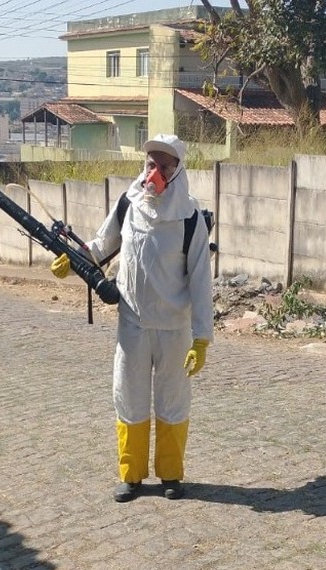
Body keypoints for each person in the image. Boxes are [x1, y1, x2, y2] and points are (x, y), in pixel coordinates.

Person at [50, 133, 214, 502]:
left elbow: (202, 281)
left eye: (163, 166)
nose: (155, 173)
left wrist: (202, 338)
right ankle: (132, 476)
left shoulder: (190, 219)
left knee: (173, 400)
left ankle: (171, 475)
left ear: (178, 170)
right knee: (129, 397)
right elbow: (100, 245)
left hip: (174, 329)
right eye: (151, 164)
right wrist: (71, 261)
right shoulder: (129, 204)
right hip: (133, 325)